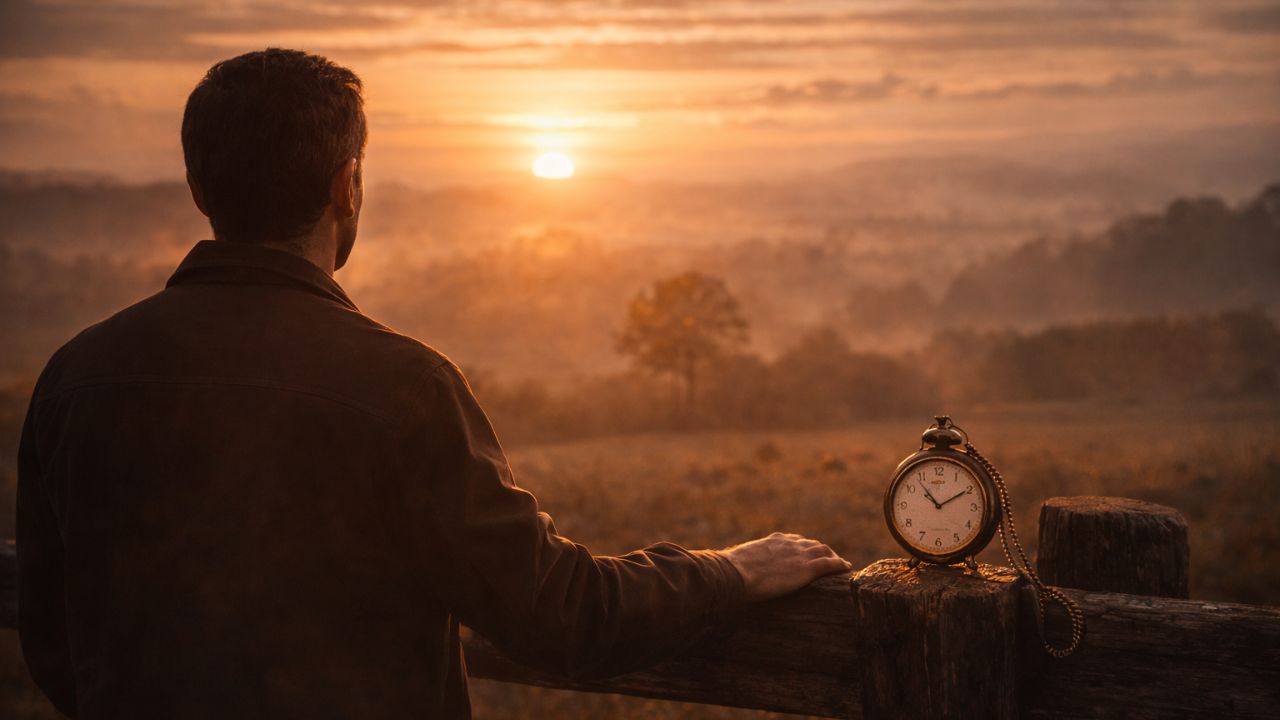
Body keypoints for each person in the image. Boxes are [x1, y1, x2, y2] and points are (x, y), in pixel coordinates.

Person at [16, 48, 852, 719]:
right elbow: (557, 615)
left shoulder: (78, 376)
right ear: (347, 185)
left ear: (200, 188)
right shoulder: (400, 387)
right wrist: (729, 570)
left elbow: (53, 640)